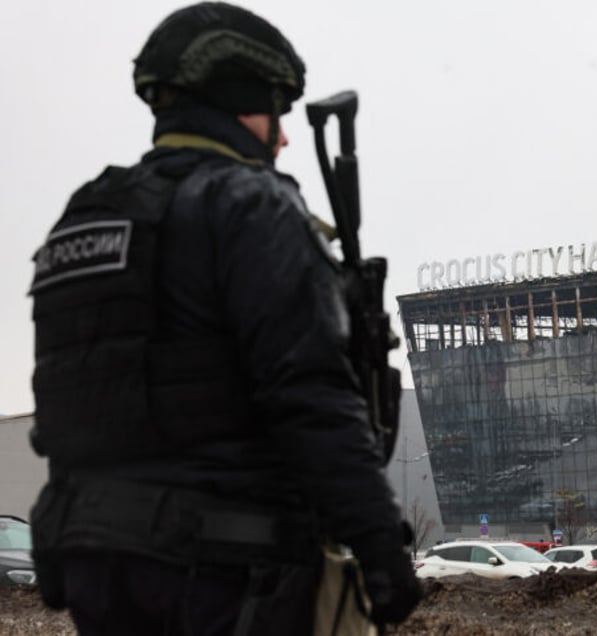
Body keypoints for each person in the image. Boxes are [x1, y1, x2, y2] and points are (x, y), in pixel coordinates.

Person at [27, 2, 421, 634]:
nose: (285, 137)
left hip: (97, 568)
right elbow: (310, 394)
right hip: (224, 570)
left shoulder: (84, 218)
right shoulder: (249, 204)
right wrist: (379, 544)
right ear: (240, 102)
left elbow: (66, 405)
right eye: (277, 113)